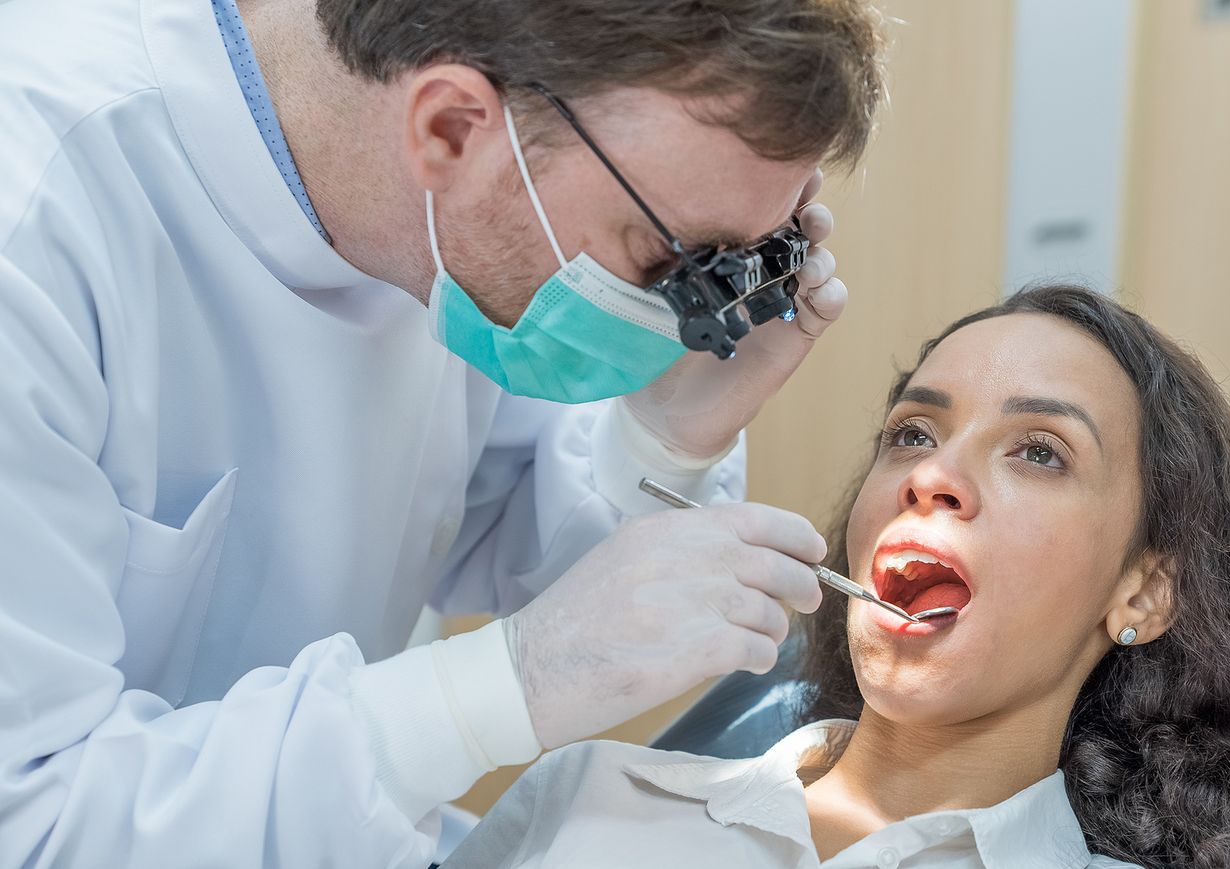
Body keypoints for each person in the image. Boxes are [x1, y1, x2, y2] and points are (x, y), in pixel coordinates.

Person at [0, 0, 886, 865]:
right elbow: (31, 822)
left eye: (746, 257)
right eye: (673, 261)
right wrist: (494, 691)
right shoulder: (35, 222)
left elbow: (539, 567)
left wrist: (663, 436)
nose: (687, 309)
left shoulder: (466, 225)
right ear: (453, 128)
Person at [443, 285, 1230, 868]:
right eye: (914, 434)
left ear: (1143, 593)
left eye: (1040, 452)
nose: (930, 477)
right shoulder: (590, 797)